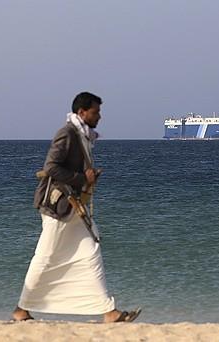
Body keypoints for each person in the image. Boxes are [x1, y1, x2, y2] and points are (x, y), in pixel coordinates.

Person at [12, 92, 141, 323]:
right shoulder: (67, 134)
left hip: (74, 207)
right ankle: (21, 309)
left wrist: (87, 178)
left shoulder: (83, 136)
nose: (99, 116)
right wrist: (82, 178)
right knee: (45, 256)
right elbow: (51, 167)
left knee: (91, 251)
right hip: (60, 206)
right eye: (95, 112)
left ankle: (108, 311)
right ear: (82, 112)